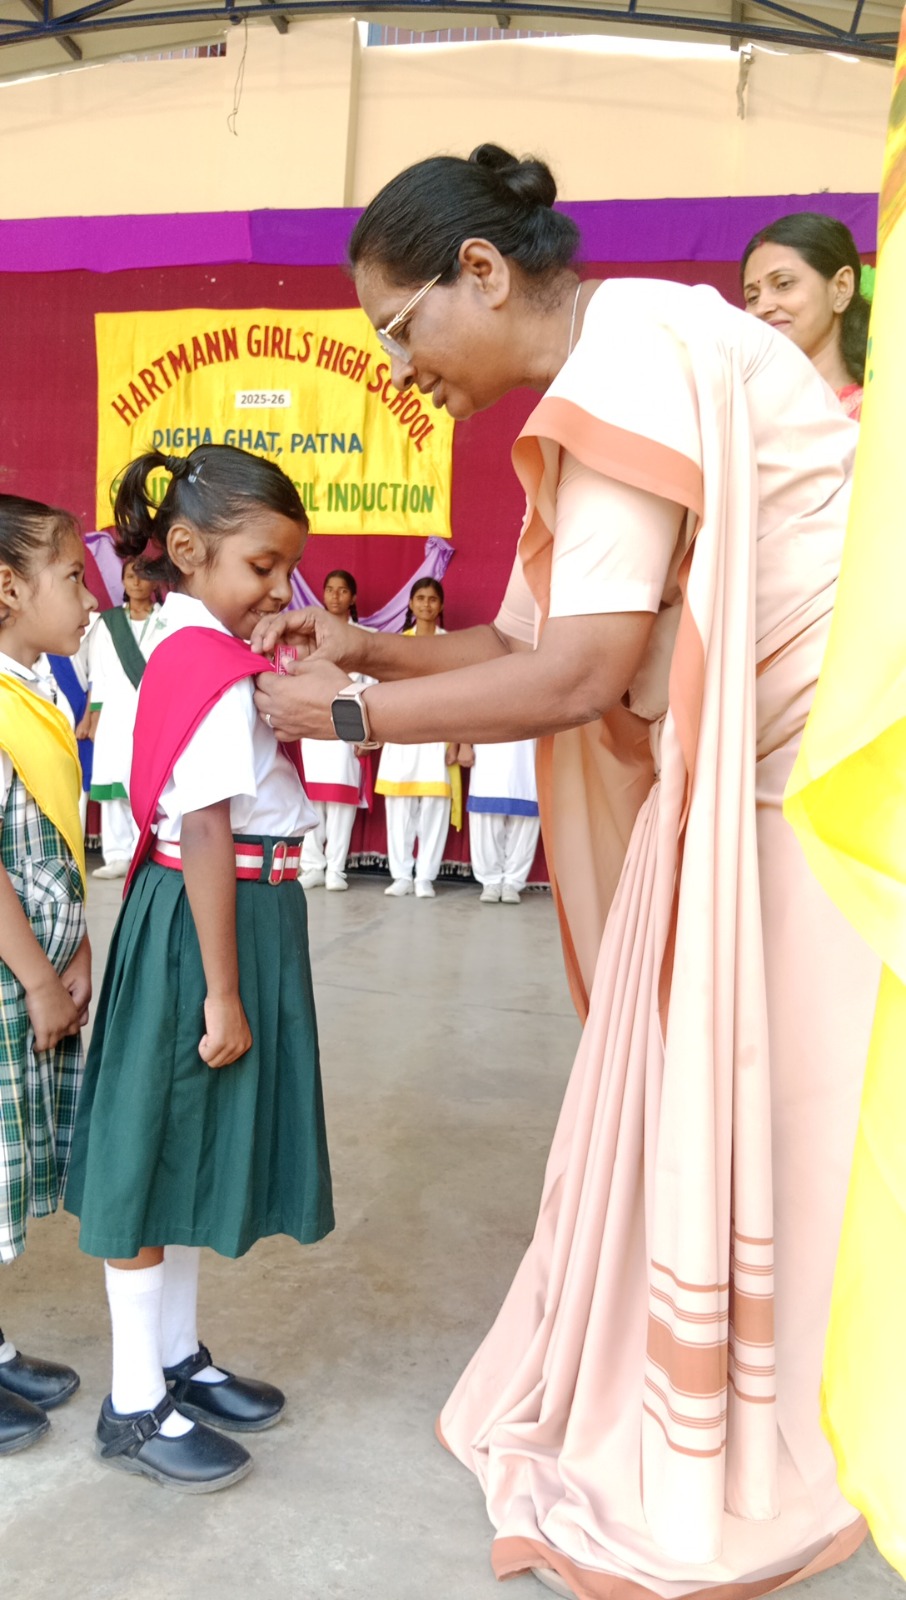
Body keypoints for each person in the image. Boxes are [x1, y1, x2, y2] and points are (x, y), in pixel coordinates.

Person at [251, 143, 880, 1598]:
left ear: (481, 271)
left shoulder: (626, 369)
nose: (405, 372)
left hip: (803, 803)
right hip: (779, 785)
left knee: (756, 1115)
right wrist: (366, 648)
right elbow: (528, 648)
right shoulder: (643, 343)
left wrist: (341, 715)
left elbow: (573, 676)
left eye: (402, 330)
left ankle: (749, 1413)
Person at [64, 445, 334, 1493]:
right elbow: (208, 830)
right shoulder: (202, 663)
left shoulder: (198, 645)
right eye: (262, 566)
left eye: (286, 570)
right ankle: (133, 1403)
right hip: (205, 921)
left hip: (226, 914)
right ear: (187, 549)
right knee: (149, 1150)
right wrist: (222, 989)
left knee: (177, 1149)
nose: (278, 588)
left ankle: (173, 1359)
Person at [0, 494, 96, 1456]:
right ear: (7, 587)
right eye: (72, 576)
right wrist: (34, 975)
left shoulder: (38, 690)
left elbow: (56, 842)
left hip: (29, 967)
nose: (88, 594)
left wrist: (74, 950)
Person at [374, 578, 464, 899]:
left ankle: (425, 876)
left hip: (438, 733)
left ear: (440, 606)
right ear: (410, 604)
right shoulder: (397, 644)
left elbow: (459, 697)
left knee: (434, 809)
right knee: (398, 807)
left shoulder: (450, 645)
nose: (426, 604)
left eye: (432, 599)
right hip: (401, 733)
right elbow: (382, 692)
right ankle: (400, 875)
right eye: (420, 598)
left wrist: (456, 740)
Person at [741, 212, 871, 419]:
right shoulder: (742, 417)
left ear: (841, 287)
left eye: (783, 284)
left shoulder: (883, 416)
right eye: (753, 297)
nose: (762, 307)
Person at [88, 558, 165, 879]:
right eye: (130, 576)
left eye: (143, 576)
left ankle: (141, 849)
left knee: (145, 779)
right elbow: (100, 674)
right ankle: (117, 854)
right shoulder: (108, 623)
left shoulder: (167, 621)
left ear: (155, 583)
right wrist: (94, 716)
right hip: (116, 712)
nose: (136, 582)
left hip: (153, 711)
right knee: (113, 776)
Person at [300, 570, 372, 892]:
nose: (335, 596)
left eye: (343, 591)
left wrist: (366, 732)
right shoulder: (308, 636)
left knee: (342, 799)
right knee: (312, 798)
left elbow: (372, 686)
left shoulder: (365, 637)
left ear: (352, 597)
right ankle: (312, 865)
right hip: (312, 724)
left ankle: (336, 869)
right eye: (329, 589)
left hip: (348, 725)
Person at [467, 738, 540, 904]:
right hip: (487, 752)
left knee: (525, 821)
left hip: (527, 753)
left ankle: (513, 883)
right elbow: (469, 713)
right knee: (485, 818)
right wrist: (465, 745)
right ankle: (490, 882)